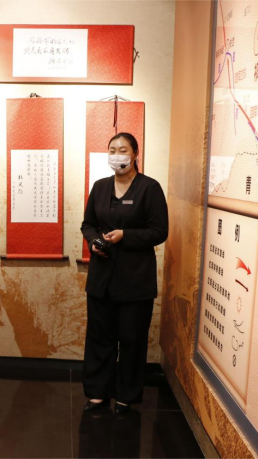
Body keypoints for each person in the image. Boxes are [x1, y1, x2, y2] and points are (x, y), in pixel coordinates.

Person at [80, 132, 168, 414]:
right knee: (99, 337)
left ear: (135, 154)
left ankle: (126, 396)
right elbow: (87, 224)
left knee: (132, 340)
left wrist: (125, 235)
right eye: (112, 150)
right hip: (102, 278)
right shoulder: (100, 187)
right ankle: (97, 392)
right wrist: (95, 241)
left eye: (123, 150)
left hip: (135, 280)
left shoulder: (149, 188)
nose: (116, 155)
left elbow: (159, 231)